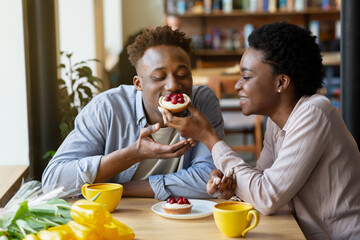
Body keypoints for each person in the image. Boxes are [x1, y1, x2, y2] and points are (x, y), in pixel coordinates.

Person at [159, 22, 360, 239]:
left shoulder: (314, 112)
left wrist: (209, 137)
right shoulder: (276, 121)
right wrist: (231, 188)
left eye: (246, 77)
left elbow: (267, 197)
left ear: (281, 82)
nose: (237, 86)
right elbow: (262, 182)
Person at [42, 25, 224, 200]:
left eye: (183, 74)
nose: (173, 86)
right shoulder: (106, 108)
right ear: (138, 83)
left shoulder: (202, 101)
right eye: (159, 77)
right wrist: (134, 154)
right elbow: (53, 181)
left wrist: (121, 189)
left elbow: (209, 179)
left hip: (177, 216)